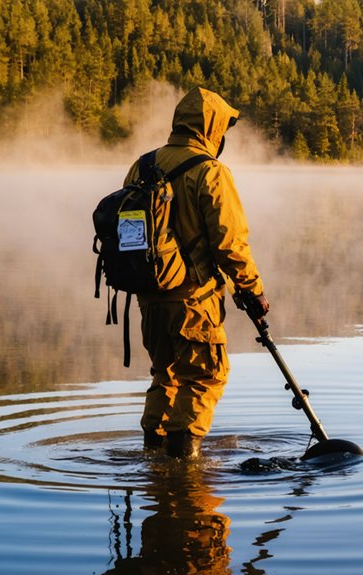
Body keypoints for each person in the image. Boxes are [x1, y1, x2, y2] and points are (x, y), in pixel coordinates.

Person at [124, 87, 269, 458]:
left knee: (166, 376)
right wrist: (253, 291)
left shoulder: (142, 165)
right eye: (222, 128)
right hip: (192, 299)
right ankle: (183, 465)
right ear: (211, 128)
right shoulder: (210, 172)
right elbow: (230, 244)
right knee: (206, 376)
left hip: (149, 299)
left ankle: (152, 457)